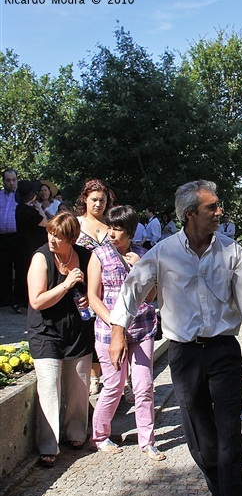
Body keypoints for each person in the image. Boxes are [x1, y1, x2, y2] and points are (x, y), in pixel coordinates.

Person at [109, 180, 242, 496]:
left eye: (218, 206)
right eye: (211, 208)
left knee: (230, 431)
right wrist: (118, 333)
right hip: (184, 355)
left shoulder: (232, 252)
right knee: (199, 434)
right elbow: (132, 289)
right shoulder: (164, 252)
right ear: (189, 215)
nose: (219, 212)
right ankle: (218, 492)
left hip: (223, 351)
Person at [87, 206, 163, 460]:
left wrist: (141, 268)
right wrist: (114, 323)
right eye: (109, 227)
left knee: (144, 386)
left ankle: (147, 441)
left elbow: (151, 297)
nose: (111, 233)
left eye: (117, 229)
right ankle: (99, 436)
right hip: (109, 332)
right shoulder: (99, 255)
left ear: (130, 231)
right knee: (114, 385)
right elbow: (93, 297)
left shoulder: (144, 255)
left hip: (142, 329)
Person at [27, 212, 94, 468]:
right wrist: (66, 285)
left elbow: (96, 287)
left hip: (77, 331)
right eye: (50, 233)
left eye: (59, 236)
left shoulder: (85, 257)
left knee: (79, 387)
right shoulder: (41, 257)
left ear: (72, 238)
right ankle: (49, 445)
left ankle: (76, 434)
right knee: (49, 388)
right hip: (46, 332)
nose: (52, 239)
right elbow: (37, 301)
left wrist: (89, 297)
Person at [76, 179, 116, 395]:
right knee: (89, 333)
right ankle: (93, 377)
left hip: (110, 287)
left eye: (102, 200)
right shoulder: (77, 223)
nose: (98, 204)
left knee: (110, 332)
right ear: (85, 199)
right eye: (94, 199)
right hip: (83, 285)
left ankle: (119, 377)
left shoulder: (112, 225)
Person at [15, 180, 48, 308]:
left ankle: (22, 299)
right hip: (31, 246)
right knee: (31, 271)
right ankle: (26, 300)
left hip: (24, 245)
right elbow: (44, 222)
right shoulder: (28, 210)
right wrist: (39, 207)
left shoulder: (20, 208)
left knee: (23, 271)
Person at [0, 168, 20, 311]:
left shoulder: (21, 196)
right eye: (8, 180)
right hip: (1, 237)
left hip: (17, 237)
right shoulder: (0, 195)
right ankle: (4, 298)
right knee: (3, 267)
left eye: (13, 180)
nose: (11, 183)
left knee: (18, 267)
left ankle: (16, 298)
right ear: (3, 181)